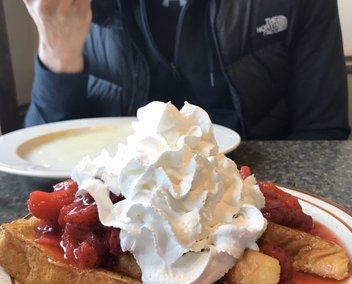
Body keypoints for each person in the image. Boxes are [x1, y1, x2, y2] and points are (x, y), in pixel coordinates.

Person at [23, 0, 350, 140]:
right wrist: (57, 50)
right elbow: (40, 177)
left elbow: (321, 137)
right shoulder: (69, 6)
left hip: (254, 202)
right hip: (110, 217)